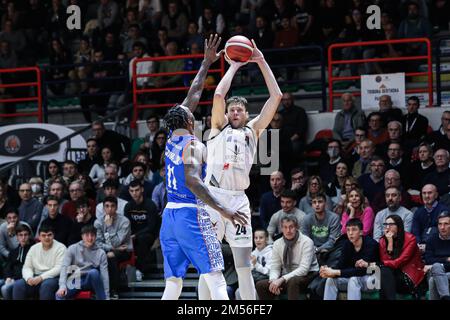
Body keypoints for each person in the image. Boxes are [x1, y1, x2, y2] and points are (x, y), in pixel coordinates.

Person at [160, 34, 246, 301]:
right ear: (187, 120)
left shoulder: (170, 139)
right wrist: (225, 210)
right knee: (216, 277)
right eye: (191, 114)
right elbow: (193, 182)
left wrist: (207, 64)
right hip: (189, 215)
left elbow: (194, 93)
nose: (193, 112)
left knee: (173, 282)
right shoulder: (193, 145)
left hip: (169, 218)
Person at [202, 37, 282, 301]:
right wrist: (234, 66)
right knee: (209, 267)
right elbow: (217, 95)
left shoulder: (254, 130)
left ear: (246, 115)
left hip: (237, 201)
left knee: (243, 267)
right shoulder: (216, 128)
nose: (235, 112)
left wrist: (259, 60)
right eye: (232, 109)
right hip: (212, 198)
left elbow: (276, 96)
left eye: (240, 110)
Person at [255, 216, 319, 300]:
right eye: (285, 227)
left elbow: (304, 269)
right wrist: (273, 281)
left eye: (291, 227)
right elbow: (275, 267)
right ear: (281, 228)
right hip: (287, 275)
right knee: (260, 285)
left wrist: (281, 279)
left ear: (296, 227)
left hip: (307, 276)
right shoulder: (277, 243)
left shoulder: (307, 242)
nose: (288, 230)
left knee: (293, 281)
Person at [321, 218, 380, 300]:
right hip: (355, 277)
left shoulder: (371, 244)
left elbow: (363, 271)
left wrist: (336, 272)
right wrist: (328, 270)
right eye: (348, 230)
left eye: (354, 230)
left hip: (373, 279)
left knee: (353, 279)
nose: (350, 233)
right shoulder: (347, 244)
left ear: (361, 232)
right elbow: (341, 265)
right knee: (331, 280)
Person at [12, 223, 66, 300]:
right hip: (34, 277)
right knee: (18, 285)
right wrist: (29, 278)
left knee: (47, 285)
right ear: (39, 237)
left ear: (53, 235)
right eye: (43, 235)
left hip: (53, 278)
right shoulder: (34, 248)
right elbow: (27, 267)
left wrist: (41, 278)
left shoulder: (61, 248)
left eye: (49, 235)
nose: (47, 238)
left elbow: (59, 268)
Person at [56, 225, 109, 300]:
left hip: (91, 280)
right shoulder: (72, 248)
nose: (90, 238)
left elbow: (104, 276)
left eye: (92, 235)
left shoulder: (101, 253)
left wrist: (107, 296)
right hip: (75, 280)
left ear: (96, 237)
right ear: (82, 236)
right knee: (59, 295)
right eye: (87, 235)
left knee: (94, 272)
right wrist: (62, 286)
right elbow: (64, 268)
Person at [379, 215, 426, 300]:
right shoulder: (382, 241)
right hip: (391, 276)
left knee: (384, 274)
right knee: (384, 272)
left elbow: (399, 262)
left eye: (391, 224)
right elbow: (385, 262)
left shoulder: (411, 239)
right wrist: (389, 242)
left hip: (408, 277)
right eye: (386, 224)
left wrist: (380, 264)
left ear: (399, 226)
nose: (387, 227)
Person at [94, 196, 132, 299]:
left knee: (111, 256)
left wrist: (110, 227)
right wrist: (112, 249)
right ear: (103, 208)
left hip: (125, 251)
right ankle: (102, 289)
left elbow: (117, 243)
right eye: (107, 206)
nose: (110, 209)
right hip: (109, 250)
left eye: (112, 206)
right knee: (106, 255)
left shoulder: (124, 221)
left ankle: (114, 290)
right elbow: (97, 243)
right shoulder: (98, 222)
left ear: (116, 207)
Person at [124, 180, 160, 281]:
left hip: (149, 235)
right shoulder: (128, 206)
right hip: (133, 235)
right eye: (132, 191)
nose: (134, 193)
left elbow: (151, 226)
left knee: (142, 239)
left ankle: (140, 270)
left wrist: (135, 235)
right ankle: (130, 270)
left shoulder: (150, 205)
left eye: (137, 190)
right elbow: (126, 225)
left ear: (142, 190)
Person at [302, 193, 341, 265]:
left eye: (320, 202)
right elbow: (305, 238)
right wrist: (313, 249)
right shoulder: (306, 219)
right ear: (312, 205)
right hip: (311, 249)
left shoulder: (334, 218)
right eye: (314, 202)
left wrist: (317, 249)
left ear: (325, 204)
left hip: (329, 249)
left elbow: (333, 240)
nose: (317, 205)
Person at [0, 224, 34, 300]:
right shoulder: (14, 251)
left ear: (29, 236)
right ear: (17, 237)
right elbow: (7, 267)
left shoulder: (33, 249)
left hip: (22, 279)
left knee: (5, 289)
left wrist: (14, 279)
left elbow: (29, 268)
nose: (23, 238)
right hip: (11, 278)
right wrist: (8, 277)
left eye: (25, 235)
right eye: (20, 235)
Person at [424, 211, 450, 300]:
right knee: (435, 268)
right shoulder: (431, 240)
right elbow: (428, 259)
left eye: (446, 224)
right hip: (435, 272)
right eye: (440, 224)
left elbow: (431, 263)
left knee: (433, 280)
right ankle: (446, 296)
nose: (442, 227)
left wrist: (436, 265)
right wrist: (446, 259)